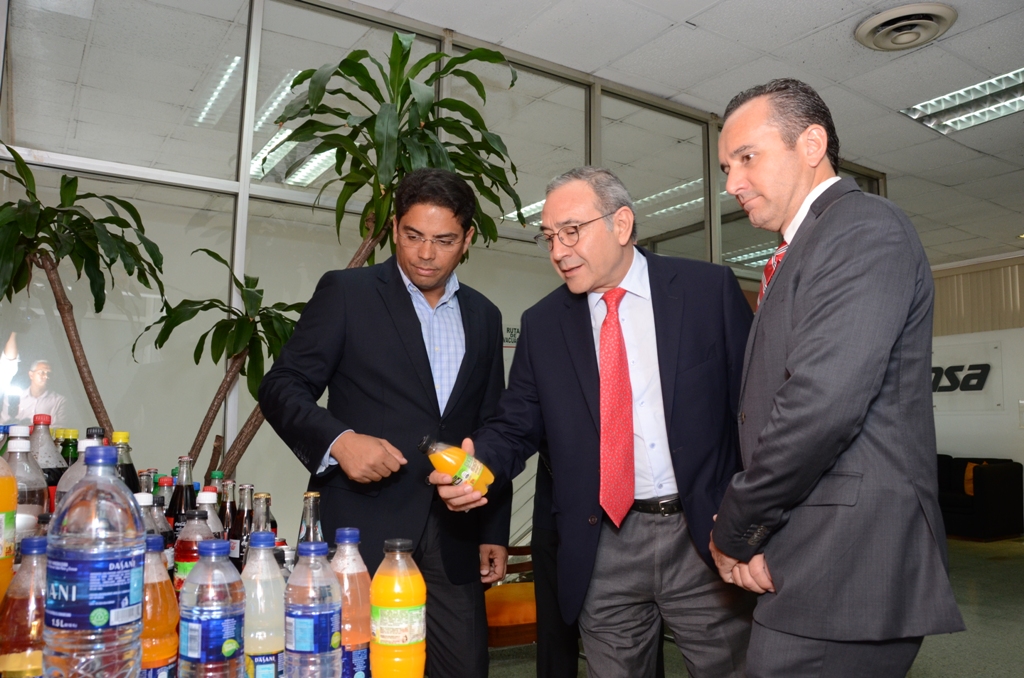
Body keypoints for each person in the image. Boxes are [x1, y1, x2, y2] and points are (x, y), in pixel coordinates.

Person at [434, 166, 754, 678]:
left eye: (571, 232)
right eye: (549, 237)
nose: (558, 250)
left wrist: (752, 518)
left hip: (701, 536)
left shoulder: (705, 291)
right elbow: (516, 424)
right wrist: (479, 464)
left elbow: (753, 409)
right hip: (603, 543)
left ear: (621, 224)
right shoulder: (544, 324)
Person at [709, 79, 965, 678]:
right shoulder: (805, 247)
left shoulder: (861, 227)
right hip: (810, 560)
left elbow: (819, 406)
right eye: (726, 167)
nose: (731, 183)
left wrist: (738, 527)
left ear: (811, 143)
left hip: (846, 571)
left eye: (747, 158)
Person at [258, 168, 511, 678]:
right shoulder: (348, 293)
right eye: (414, 236)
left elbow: (491, 426)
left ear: (466, 241)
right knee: (358, 665)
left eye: (443, 241)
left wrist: (494, 528)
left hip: (455, 534)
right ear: (394, 228)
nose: (425, 253)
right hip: (363, 530)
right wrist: (339, 440)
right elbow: (281, 385)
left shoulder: (484, 316)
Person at [0, 332, 68, 426]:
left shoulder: (59, 401)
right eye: (41, 372)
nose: (46, 376)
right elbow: (3, 423)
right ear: (31, 374)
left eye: (49, 374)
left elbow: (60, 428)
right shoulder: (14, 397)